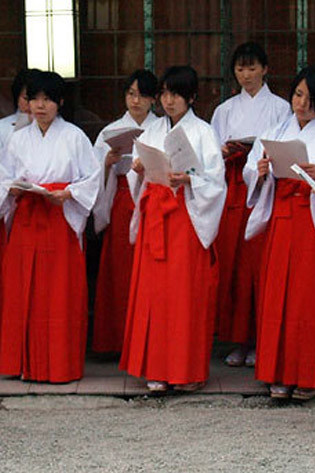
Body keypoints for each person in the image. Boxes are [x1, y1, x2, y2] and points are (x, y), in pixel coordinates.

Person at [244, 65, 315, 400]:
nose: (300, 103)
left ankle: (310, 374)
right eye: (297, 94)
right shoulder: (277, 128)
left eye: (308, 97)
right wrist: (260, 171)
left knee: (310, 299)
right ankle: (278, 371)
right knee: (278, 295)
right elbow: (252, 166)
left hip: (312, 220)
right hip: (282, 217)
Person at [119, 65, 226, 393]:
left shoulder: (204, 132)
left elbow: (216, 180)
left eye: (176, 94)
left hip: (185, 218)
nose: (168, 100)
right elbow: (136, 174)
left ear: (191, 97)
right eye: (165, 93)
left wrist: (189, 179)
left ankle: (186, 370)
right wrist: (138, 170)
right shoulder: (151, 131)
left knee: (183, 296)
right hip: (156, 215)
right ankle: (156, 368)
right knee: (154, 295)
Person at [0, 71, 100, 383]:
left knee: (59, 293)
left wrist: (69, 193)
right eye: (35, 99)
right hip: (28, 216)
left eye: (48, 99)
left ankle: (60, 363)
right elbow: (3, 176)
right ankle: (25, 362)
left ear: (60, 103)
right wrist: (11, 190)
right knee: (22, 289)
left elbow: (91, 178)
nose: (40, 106)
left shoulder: (74, 136)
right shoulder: (17, 138)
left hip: (59, 216)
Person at [210, 42, 290, 368]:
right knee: (235, 264)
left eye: (252, 67)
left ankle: (260, 339)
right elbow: (210, 153)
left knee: (261, 266)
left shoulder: (281, 108)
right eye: (240, 69)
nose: (246, 75)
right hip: (233, 188)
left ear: (265, 69)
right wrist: (225, 153)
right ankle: (238, 339)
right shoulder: (225, 110)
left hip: (265, 183)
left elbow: (286, 148)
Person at [91, 69, 159, 354]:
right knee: (122, 271)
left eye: (142, 95)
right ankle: (120, 339)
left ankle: (150, 339)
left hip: (152, 200)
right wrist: (107, 163)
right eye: (131, 94)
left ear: (153, 99)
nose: (136, 101)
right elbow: (93, 174)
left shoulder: (162, 128)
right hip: (121, 201)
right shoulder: (111, 130)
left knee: (152, 274)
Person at [0, 68, 40, 350]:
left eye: (37, 97)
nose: (31, 104)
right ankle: (7, 343)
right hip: (11, 208)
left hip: (42, 208)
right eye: (25, 97)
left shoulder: (57, 127)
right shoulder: (2, 128)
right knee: (9, 282)